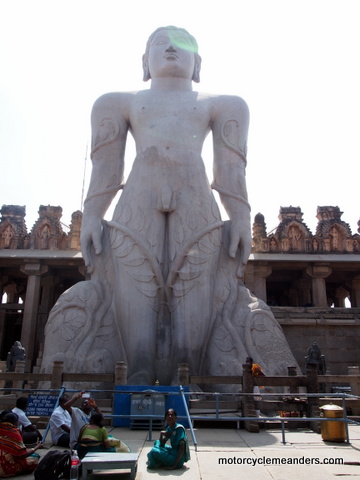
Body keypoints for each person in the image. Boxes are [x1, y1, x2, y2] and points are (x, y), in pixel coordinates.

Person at [0, 411, 43, 477]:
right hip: (4, 469)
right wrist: (37, 447)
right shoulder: (14, 433)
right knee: (34, 457)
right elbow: (22, 455)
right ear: (15, 422)